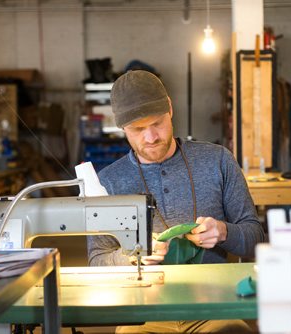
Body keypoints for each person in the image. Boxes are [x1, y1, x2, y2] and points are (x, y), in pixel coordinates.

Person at [87, 70, 265, 333]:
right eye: (137, 129)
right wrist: (132, 253)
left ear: (170, 108)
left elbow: (256, 238)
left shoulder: (218, 161)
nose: (151, 137)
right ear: (121, 127)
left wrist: (225, 232)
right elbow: (96, 261)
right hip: (143, 313)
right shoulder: (107, 183)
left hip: (213, 307)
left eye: (157, 123)